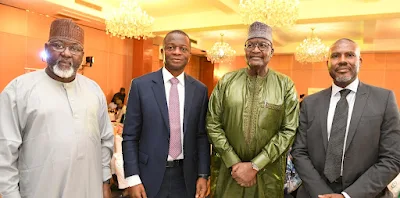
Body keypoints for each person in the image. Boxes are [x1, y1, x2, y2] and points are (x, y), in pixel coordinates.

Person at [0, 18, 114, 198]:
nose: (66, 53)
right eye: (58, 45)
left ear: (82, 55)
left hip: (89, 189)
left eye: (75, 48)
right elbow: (5, 150)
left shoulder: (94, 90)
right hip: (41, 190)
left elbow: (105, 140)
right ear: (46, 48)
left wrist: (105, 181)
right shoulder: (19, 90)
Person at [291, 38, 400, 198]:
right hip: (314, 194)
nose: (342, 61)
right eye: (335, 56)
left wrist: (348, 196)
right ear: (327, 63)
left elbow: (392, 158)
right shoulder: (309, 103)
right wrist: (323, 194)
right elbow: (299, 152)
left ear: (359, 61)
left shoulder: (384, 99)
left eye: (349, 55)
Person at [206, 21, 299, 198]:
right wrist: (234, 163)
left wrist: (256, 165)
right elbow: (212, 123)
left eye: (262, 45)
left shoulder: (285, 85)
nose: (256, 50)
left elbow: (289, 130)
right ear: (245, 50)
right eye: (251, 45)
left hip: (268, 175)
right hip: (229, 173)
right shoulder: (226, 82)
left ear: (272, 51)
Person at [122, 30, 210, 198]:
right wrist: (133, 178)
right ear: (162, 52)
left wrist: (203, 174)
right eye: (171, 47)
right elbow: (130, 136)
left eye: (183, 49)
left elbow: (202, 136)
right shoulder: (141, 86)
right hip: (148, 175)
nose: (177, 52)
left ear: (189, 55)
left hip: (186, 177)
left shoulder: (199, 90)